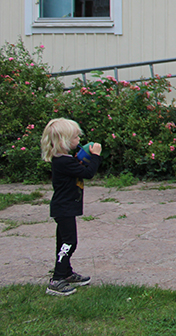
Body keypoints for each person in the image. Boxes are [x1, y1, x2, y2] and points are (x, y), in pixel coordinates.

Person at [40, 118, 102, 296]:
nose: (78, 140)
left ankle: (66, 272)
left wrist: (82, 159)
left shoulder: (64, 159)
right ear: (63, 141)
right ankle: (57, 280)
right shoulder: (64, 162)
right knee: (69, 242)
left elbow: (77, 168)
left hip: (65, 208)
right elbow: (88, 173)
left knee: (63, 242)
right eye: (75, 137)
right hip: (64, 208)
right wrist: (95, 156)